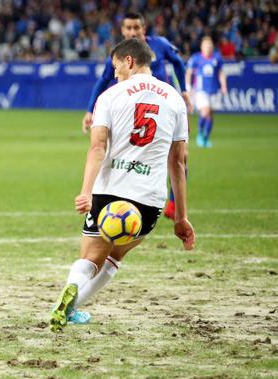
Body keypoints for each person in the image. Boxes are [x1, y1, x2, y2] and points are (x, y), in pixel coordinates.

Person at [50, 38, 195, 332]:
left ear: (129, 61)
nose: (114, 73)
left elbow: (97, 148)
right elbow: (178, 162)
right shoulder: (174, 99)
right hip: (148, 198)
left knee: (90, 258)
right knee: (115, 256)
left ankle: (69, 297)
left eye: (116, 67)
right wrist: (180, 216)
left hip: (108, 190)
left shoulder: (110, 95)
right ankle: (74, 308)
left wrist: (86, 192)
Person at [80, 12, 192, 221]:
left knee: (179, 155)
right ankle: (129, 196)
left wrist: (183, 90)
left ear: (144, 28)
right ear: (122, 31)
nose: (132, 32)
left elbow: (178, 63)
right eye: (128, 28)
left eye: (136, 28)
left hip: (164, 108)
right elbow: (104, 80)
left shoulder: (160, 45)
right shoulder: (119, 55)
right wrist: (90, 110)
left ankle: (174, 203)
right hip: (133, 111)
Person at [186, 36, 227, 148]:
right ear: (202, 47)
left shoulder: (217, 58)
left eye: (210, 46)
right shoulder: (196, 58)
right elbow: (189, 73)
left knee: (211, 115)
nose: (208, 48)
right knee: (205, 112)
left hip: (214, 90)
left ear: (212, 47)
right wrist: (188, 88)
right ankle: (200, 134)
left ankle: (206, 138)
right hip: (201, 90)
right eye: (206, 46)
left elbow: (221, 73)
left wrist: (223, 85)